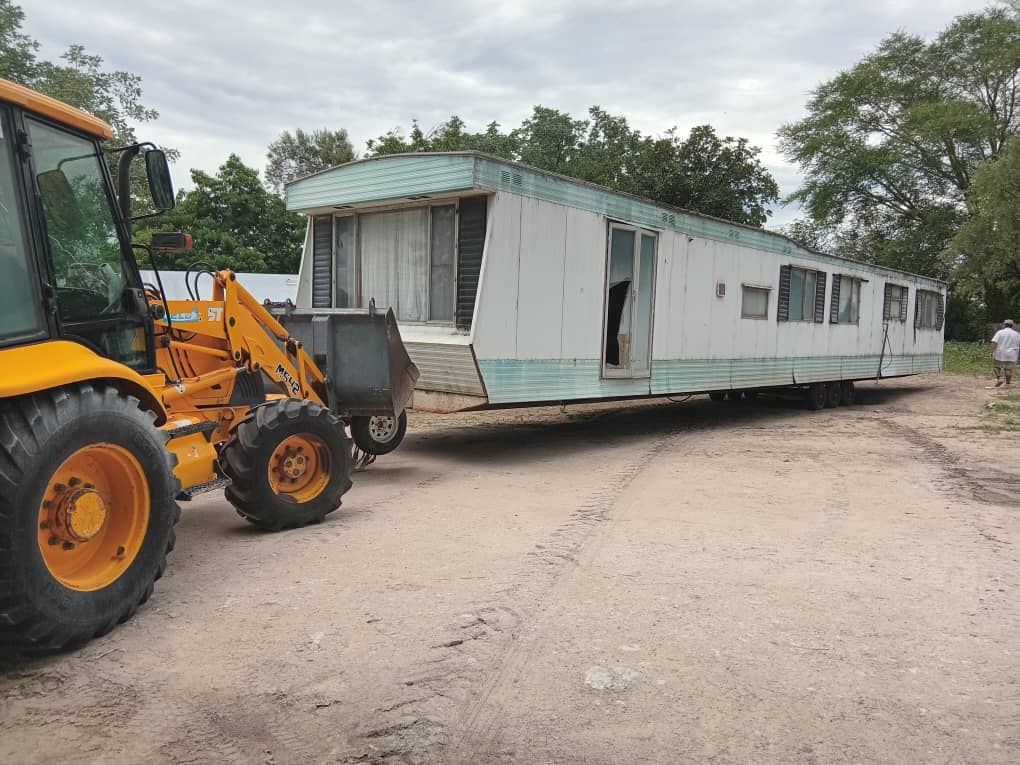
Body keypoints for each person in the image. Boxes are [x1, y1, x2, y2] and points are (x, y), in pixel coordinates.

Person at [990, 319, 1020, 387]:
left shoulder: (1000, 332)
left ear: (1004, 325)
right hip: (1012, 354)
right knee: (1008, 369)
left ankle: (999, 378)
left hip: (1000, 353)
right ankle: (1008, 384)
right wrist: (1018, 355)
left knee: (996, 366)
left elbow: (994, 342)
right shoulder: (1017, 334)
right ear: (1012, 326)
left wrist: (991, 352)